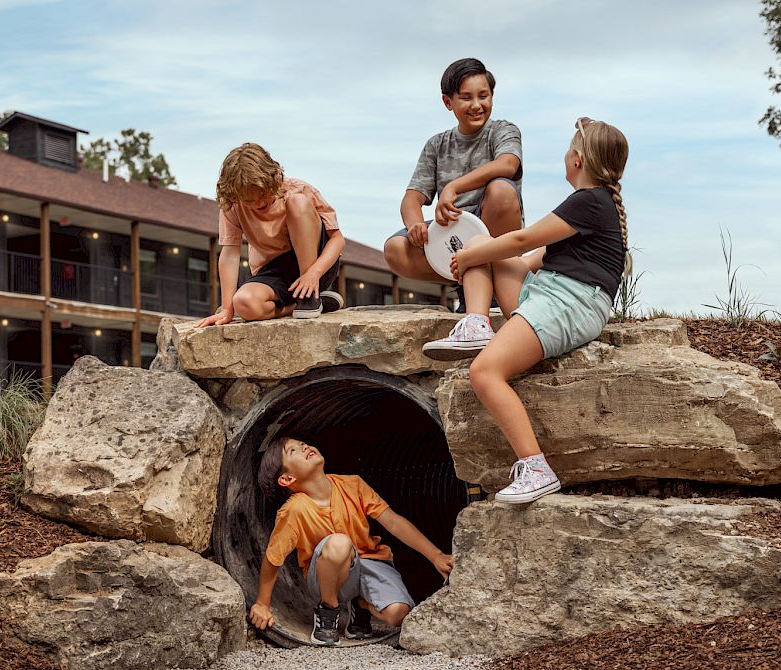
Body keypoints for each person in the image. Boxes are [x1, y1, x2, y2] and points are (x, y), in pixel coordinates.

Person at [421, 117, 631, 504]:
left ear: (578, 159)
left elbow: (522, 238)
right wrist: (476, 253)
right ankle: (477, 322)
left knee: (484, 371)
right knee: (486, 246)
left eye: (570, 148)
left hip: (571, 301)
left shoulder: (589, 201)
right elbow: (532, 256)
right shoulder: (593, 204)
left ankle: (536, 467)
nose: (565, 155)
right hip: (554, 293)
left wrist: (469, 255)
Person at [250, 436, 454, 646]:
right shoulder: (294, 510)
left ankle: (362, 605)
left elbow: (393, 522)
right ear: (287, 479)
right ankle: (328, 612)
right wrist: (262, 604)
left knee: (399, 614)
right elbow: (274, 558)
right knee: (339, 543)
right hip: (327, 577)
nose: (304, 447)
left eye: (303, 444)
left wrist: (436, 556)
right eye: (293, 451)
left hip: (370, 562)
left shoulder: (352, 485)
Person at [383, 58, 524, 297]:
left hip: (493, 229)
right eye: (467, 98)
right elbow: (412, 198)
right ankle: (466, 284)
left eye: (484, 96)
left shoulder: (503, 130)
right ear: (448, 102)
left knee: (502, 191)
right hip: (452, 235)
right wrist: (415, 224)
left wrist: (453, 187)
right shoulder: (436, 145)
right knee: (395, 249)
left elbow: (508, 164)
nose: (477, 105)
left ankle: (495, 284)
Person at [195, 143, 345, 327]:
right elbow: (230, 254)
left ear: (272, 180)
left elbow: (337, 240)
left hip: (316, 263)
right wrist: (227, 309)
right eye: (249, 200)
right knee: (243, 302)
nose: (258, 203)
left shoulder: (298, 190)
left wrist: (313, 273)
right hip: (274, 271)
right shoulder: (232, 205)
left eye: (263, 195)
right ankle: (298, 306)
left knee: (297, 202)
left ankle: (309, 298)